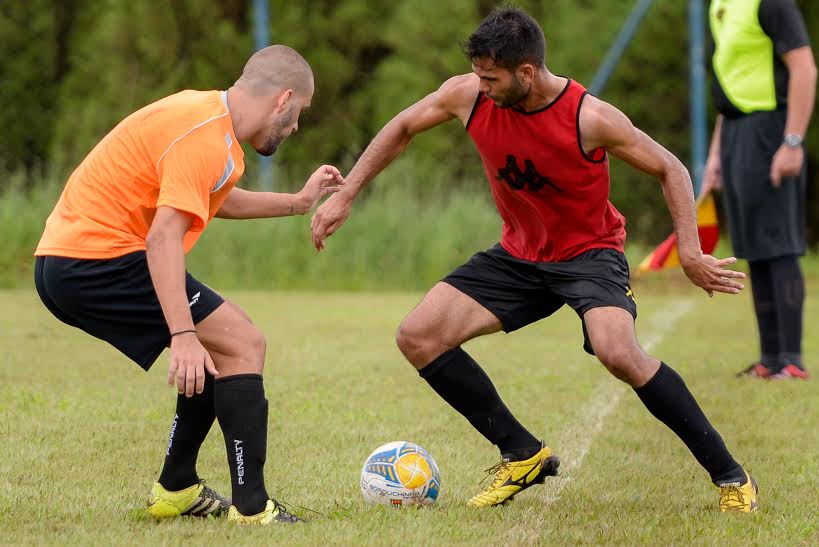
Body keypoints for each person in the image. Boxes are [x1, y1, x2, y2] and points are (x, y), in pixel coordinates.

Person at [311, 7, 758, 512]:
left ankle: (732, 476)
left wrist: (690, 250)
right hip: (519, 255)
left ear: (526, 72)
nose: (481, 87)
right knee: (418, 335)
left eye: (491, 78)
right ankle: (522, 453)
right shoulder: (469, 96)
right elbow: (404, 127)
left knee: (618, 353)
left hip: (590, 255)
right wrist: (347, 192)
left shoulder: (589, 117)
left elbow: (670, 167)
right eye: (478, 75)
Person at [34, 45, 343, 525]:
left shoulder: (208, 120)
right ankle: (252, 509)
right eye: (299, 113)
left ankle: (177, 487)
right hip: (97, 260)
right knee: (242, 344)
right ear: (283, 100)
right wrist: (183, 334)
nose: (297, 126)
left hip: (75, 259)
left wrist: (298, 203)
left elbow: (213, 196)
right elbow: (162, 239)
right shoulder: (204, 135)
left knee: (228, 342)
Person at [702, 0, 816, 379]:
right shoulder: (720, 5)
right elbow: (730, 86)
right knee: (754, 247)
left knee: (778, 242)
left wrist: (793, 142)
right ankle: (770, 360)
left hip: (772, 129)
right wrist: (717, 155)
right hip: (737, 132)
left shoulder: (771, 3)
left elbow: (804, 68)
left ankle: (791, 360)